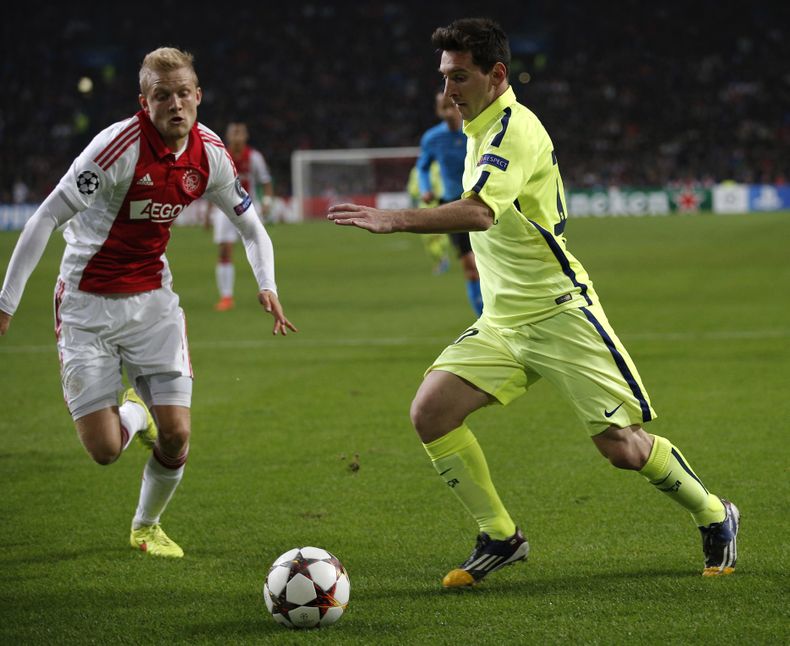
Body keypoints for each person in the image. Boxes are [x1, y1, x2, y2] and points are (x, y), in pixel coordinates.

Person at [328, 18, 738, 587]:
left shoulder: (514, 131)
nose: (450, 90)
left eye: (462, 77)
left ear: (497, 75)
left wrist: (393, 218)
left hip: (559, 312)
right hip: (504, 321)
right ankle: (501, 535)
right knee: (431, 412)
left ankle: (715, 514)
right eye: (445, 77)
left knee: (621, 447)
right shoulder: (476, 126)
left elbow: (479, 212)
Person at [0, 47, 296, 558]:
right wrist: (5, 305)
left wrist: (266, 283)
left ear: (198, 96)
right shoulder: (114, 150)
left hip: (153, 302)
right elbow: (44, 219)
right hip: (86, 306)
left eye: (184, 94)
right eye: (163, 96)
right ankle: (137, 413)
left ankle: (145, 526)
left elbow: (252, 227)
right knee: (105, 450)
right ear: (145, 102)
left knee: (178, 434)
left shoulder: (210, 154)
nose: (176, 105)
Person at [416, 90, 483, 316]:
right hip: (454, 205)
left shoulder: (476, 130)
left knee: (492, 265)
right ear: (438, 111)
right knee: (471, 268)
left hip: (483, 202)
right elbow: (423, 167)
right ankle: (483, 318)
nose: (448, 112)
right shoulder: (432, 138)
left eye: (451, 106)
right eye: (443, 107)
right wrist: (425, 189)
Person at [208, 121, 275, 311]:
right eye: (234, 133)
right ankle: (226, 297)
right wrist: (207, 213)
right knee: (224, 251)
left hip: (247, 208)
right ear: (228, 137)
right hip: (223, 209)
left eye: (240, 133)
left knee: (258, 247)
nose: (237, 137)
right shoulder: (221, 155)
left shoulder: (254, 157)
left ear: (245, 136)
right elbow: (210, 184)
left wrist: (267, 203)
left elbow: (265, 181)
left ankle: (267, 291)